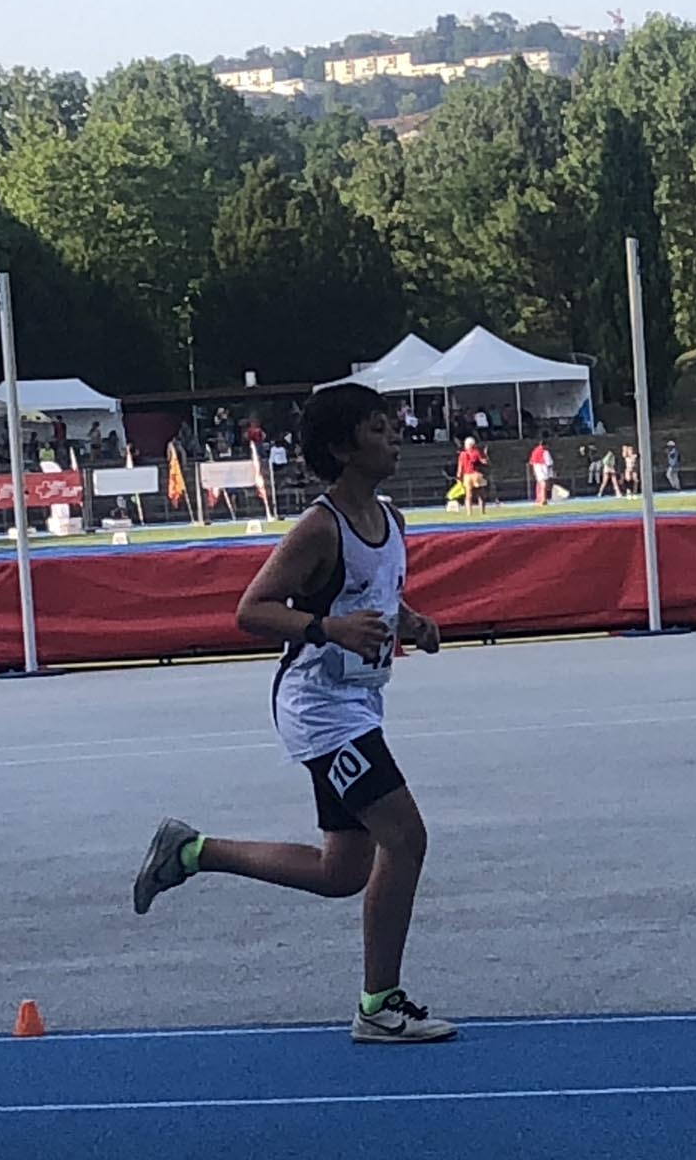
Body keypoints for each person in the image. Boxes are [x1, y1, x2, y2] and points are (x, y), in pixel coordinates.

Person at [132, 384, 455, 1044]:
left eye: (392, 426)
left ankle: (190, 851)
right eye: (377, 429)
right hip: (319, 708)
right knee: (405, 838)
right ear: (342, 448)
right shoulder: (319, 528)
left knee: (343, 873)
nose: (394, 437)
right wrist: (328, 630)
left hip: (359, 701)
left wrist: (410, 622)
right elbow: (251, 609)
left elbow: (374, 596)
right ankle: (379, 1005)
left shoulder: (391, 519)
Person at [456, 435, 488, 515]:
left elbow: (460, 467)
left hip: (467, 476)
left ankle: (469, 512)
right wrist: (486, 456)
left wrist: (459, 477)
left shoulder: (462, 454)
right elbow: (483, 462)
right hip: (476, 474)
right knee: (481, 494)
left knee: (468, 495)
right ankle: (482, 511)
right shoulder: (476, 452)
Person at [529, 437, 554, 505]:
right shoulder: (545, 451)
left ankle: (540, 499)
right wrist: (551, 473)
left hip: (536, 467)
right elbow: (549, 463)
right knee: (544, 483)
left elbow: (532, 461)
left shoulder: (535, 450)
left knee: (540, 483)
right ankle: (543, 499)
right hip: (543, 467)